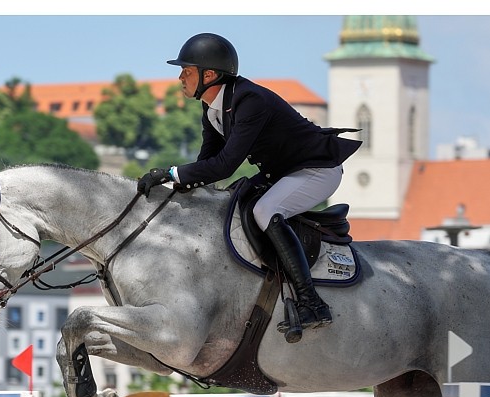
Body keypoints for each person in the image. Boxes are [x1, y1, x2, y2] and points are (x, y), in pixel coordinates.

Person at [137, 32, 361, 343]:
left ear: (209, 74)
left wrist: (171, 173)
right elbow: (209, 161)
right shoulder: (212, 107)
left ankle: (312, 303)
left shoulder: (249, 100)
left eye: (186, 71)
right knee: (230, 204)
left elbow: (226, 164)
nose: (180, 77)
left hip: (317, 169)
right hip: (283, 172)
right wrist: (178, 186)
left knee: (265, 209)